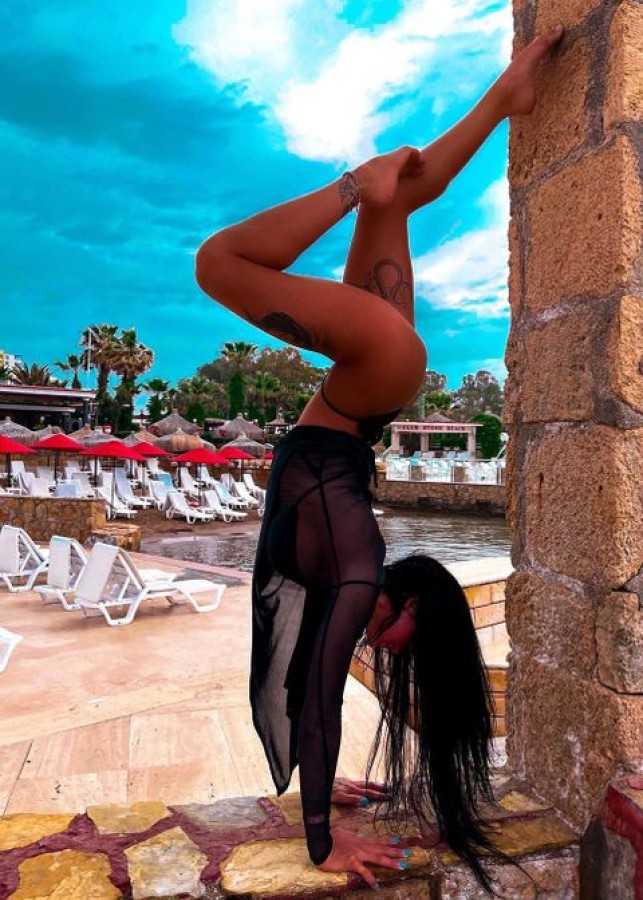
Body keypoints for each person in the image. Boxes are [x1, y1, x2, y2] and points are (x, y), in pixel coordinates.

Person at [196, 25, 564, 892]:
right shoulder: (358, 566)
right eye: (402, 640)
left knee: (392, 203)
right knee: (219, 263)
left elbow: (306, 682)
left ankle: (501, 100)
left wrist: (321, 787)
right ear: (410, 605)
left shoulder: (350, 565)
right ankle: (358, 181)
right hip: (374, 375)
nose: (386, 648)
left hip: (372, 387)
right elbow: (322, 693)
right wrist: (321, 843)